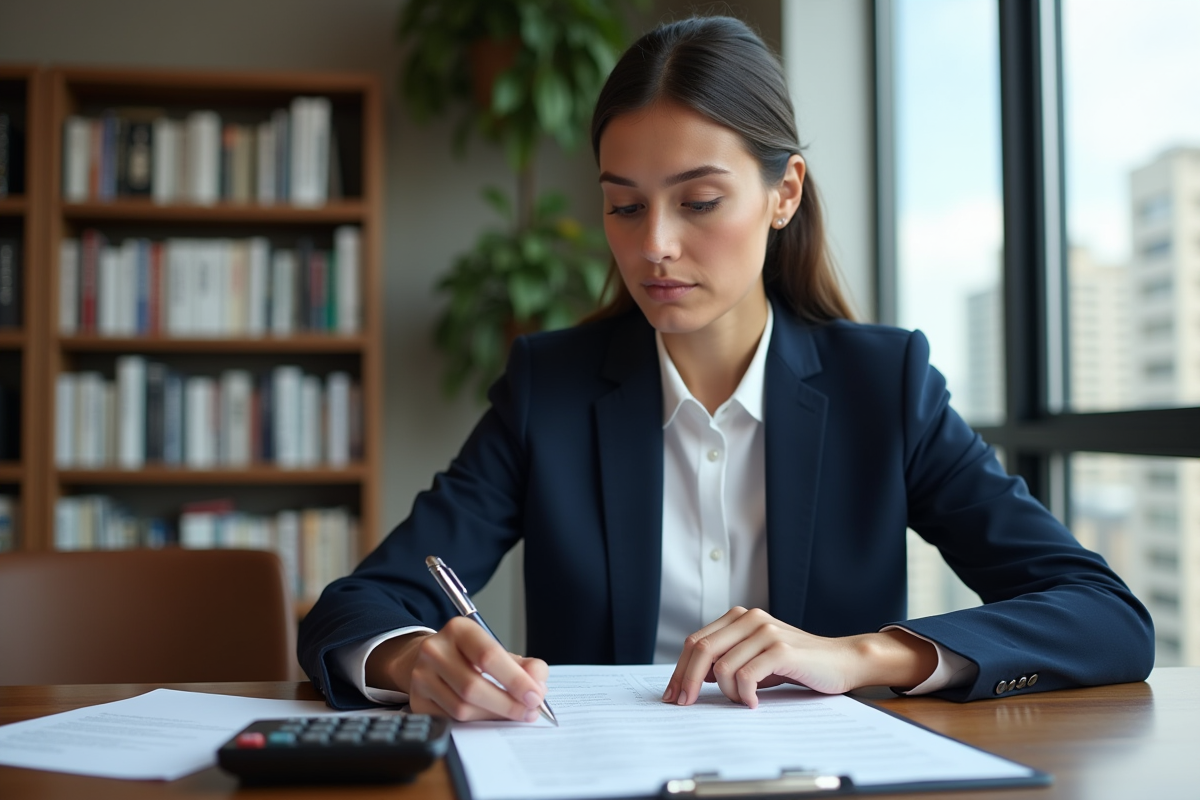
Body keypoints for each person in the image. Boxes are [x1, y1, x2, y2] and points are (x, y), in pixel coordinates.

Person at [298, 16, 1154, 719]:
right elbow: (357, 607)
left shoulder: (882, 386)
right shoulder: (549, 390)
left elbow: (1104, 615)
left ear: (783, 195)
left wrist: (858, 656)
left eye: (699, 202)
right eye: (623, 206)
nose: (654, 246)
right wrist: (417, 659)